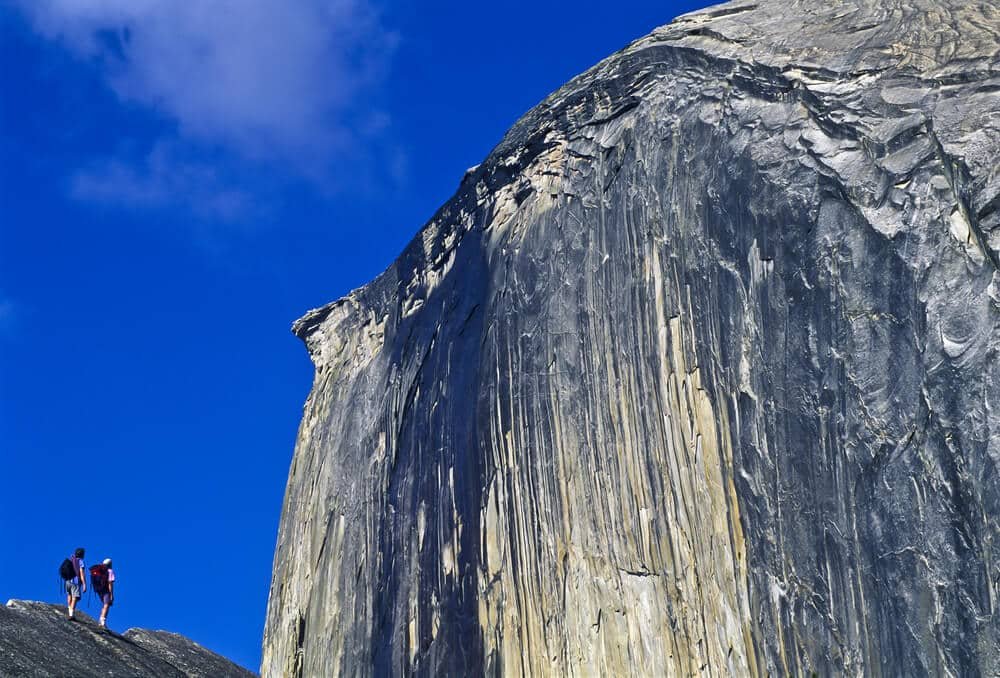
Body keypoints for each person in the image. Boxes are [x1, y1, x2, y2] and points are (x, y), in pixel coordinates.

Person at [65, 547, 86, 620]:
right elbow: (82, 573)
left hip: (67, 581)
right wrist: (84, 584)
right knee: (75, 597)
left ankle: (69, 610)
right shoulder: (80, 561)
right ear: (82, 554)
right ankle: (71, 614)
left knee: (69, 595)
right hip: (75, 581)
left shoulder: (71, 559)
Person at [98, 558, 115, 628]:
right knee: (106, 605)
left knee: (104, 605)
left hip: (99, 590)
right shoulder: (110, 571)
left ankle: (101, 619)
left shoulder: (101, 570)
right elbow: (110, 583)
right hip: (106, 590)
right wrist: (111, 594)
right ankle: (102, 621)